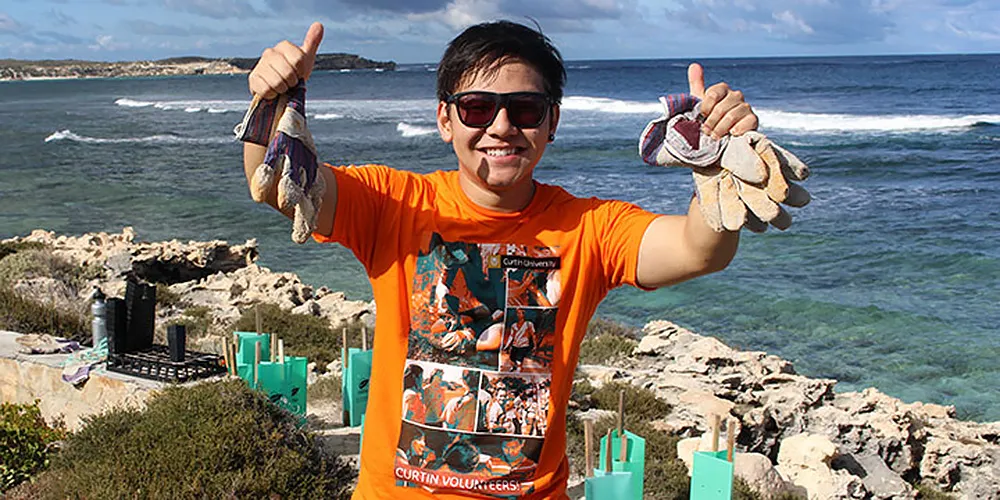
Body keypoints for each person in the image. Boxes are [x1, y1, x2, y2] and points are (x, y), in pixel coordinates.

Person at [244, 19, 755, 499]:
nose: (502, 126)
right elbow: (278, 185)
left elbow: (698, 250)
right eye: (477, 108)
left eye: (526, 109)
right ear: (445, 120)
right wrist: (273, 101)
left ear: (552, 122)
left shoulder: (590, 228)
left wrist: (716, 164)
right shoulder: (392, 205)